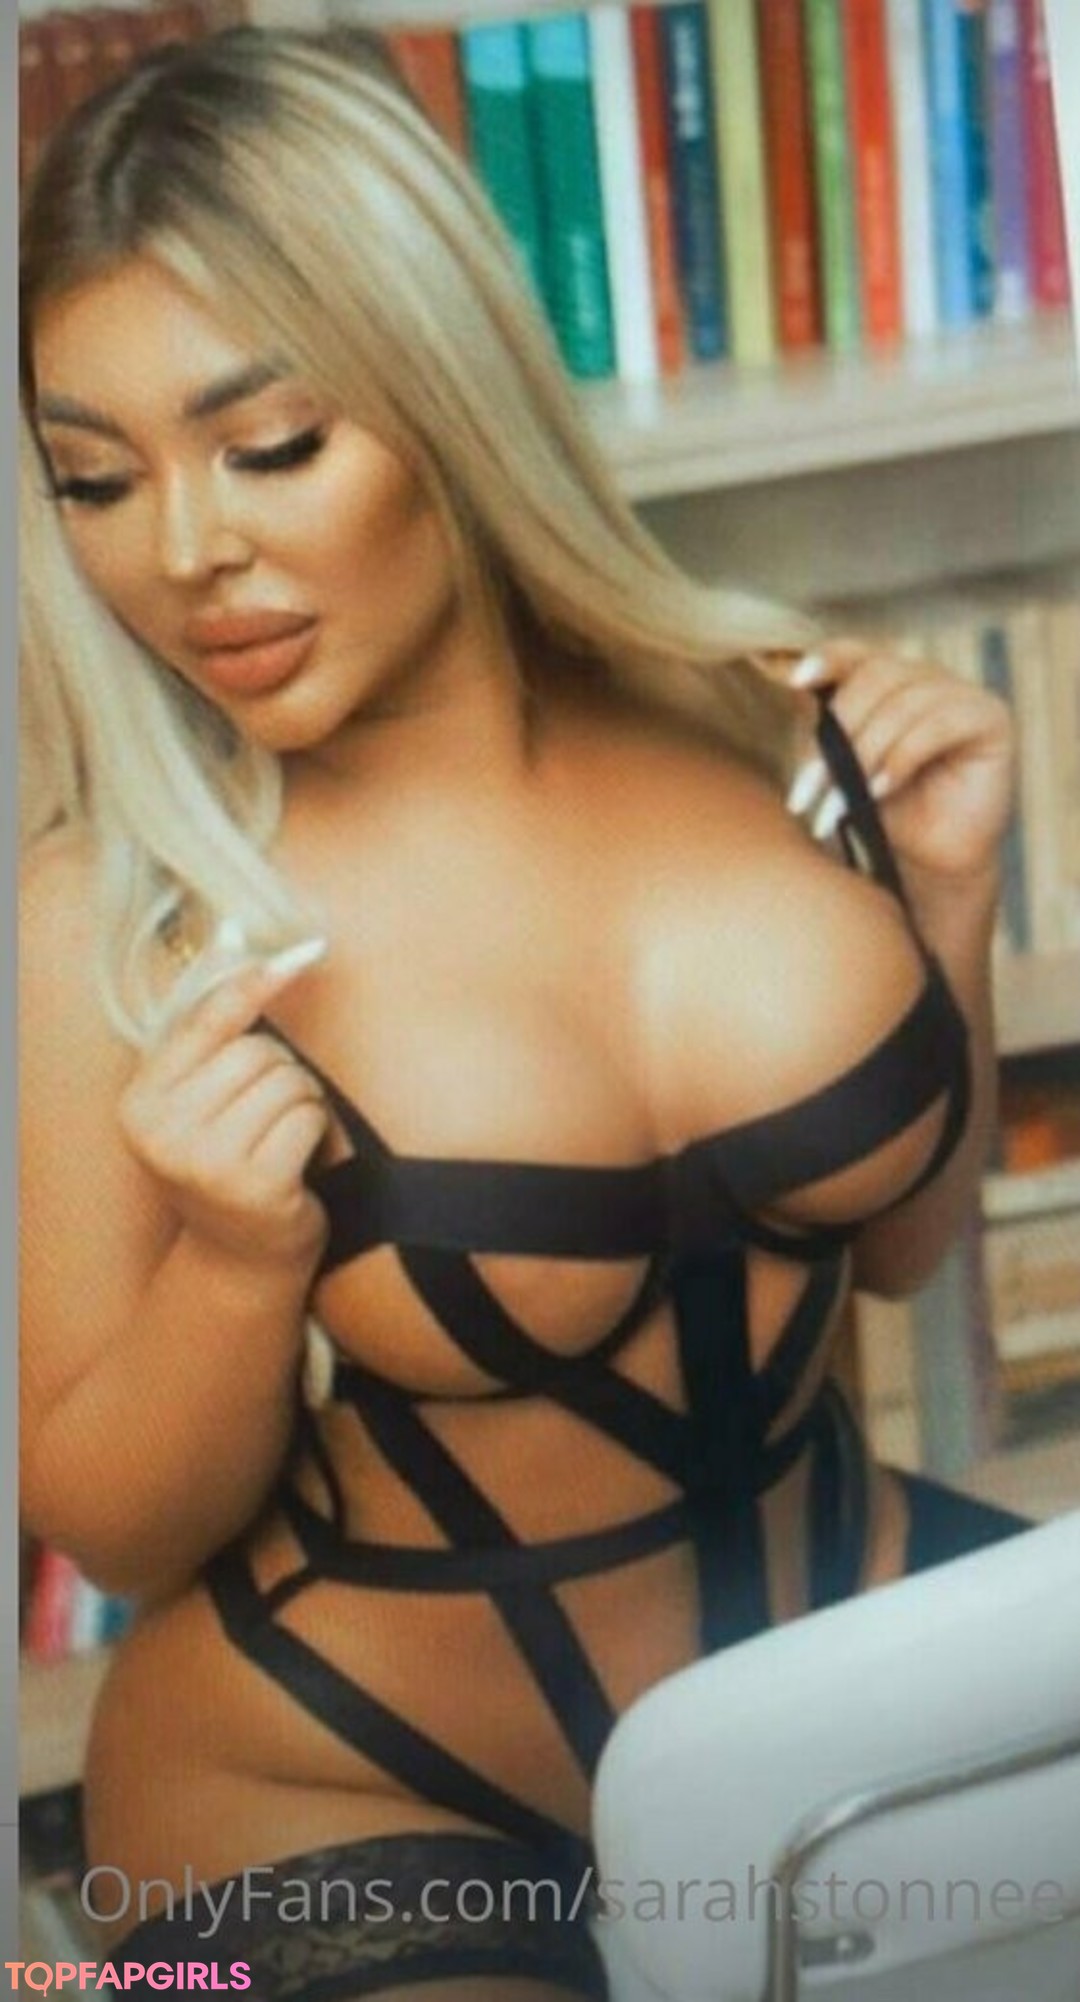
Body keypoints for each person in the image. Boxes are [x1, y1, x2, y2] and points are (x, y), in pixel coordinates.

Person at [19, 25, 1027, 2000]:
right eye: (95, 479)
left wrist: (956, 902)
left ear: (448, 391)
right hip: (333, 1779)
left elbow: (902, 1248)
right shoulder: (116, 911)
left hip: (841, 1683)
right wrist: (234, 1263)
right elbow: (115, 1528)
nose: (185, 550)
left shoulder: (757, 715)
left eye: (269, 445)